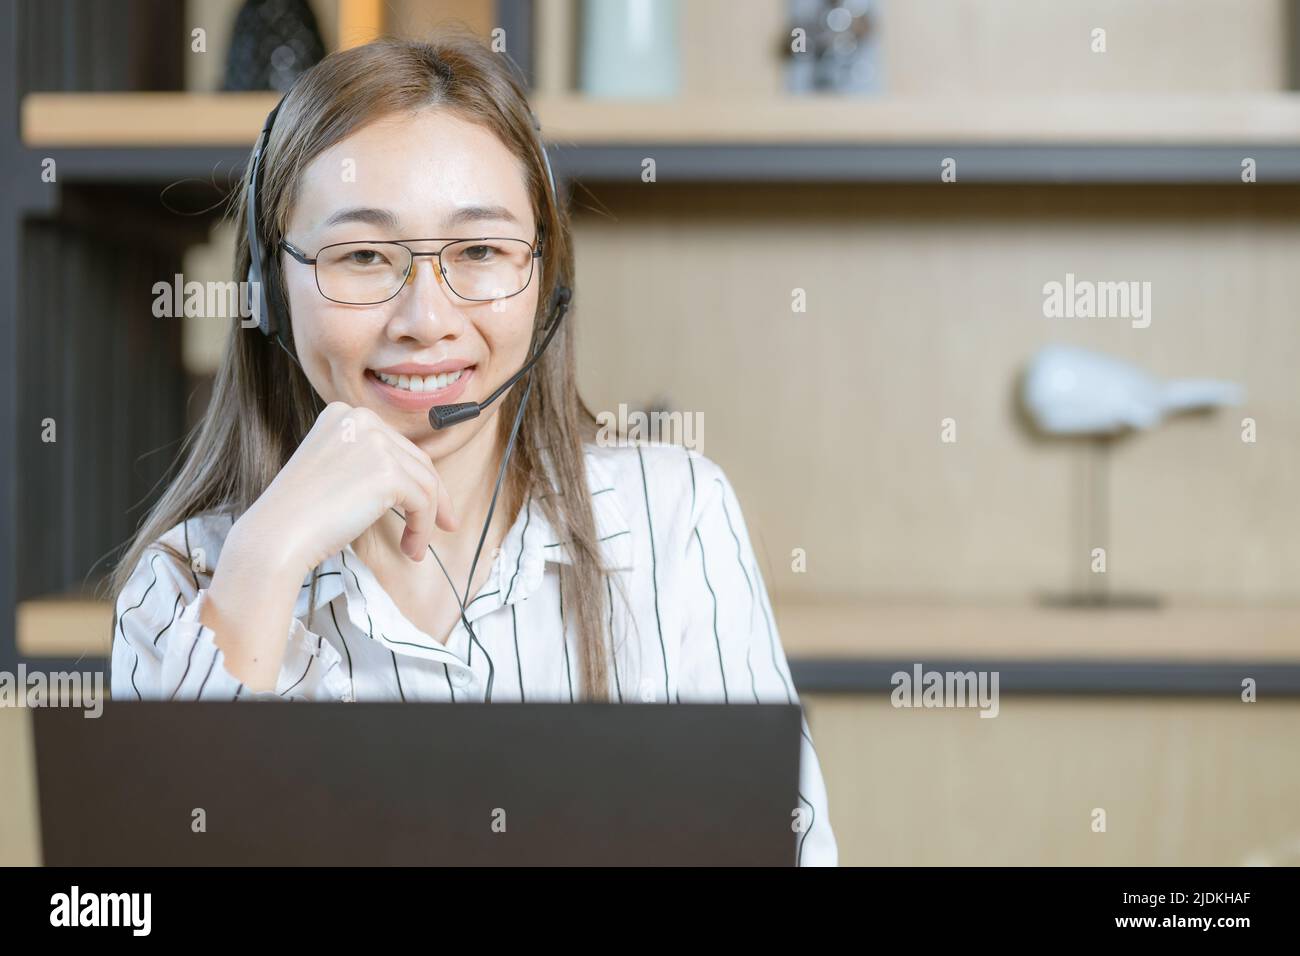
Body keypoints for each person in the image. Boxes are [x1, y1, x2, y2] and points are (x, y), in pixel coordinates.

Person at [110, 32, 836, 866]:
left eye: (482, 251)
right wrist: (265, 560)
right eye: (362, 256)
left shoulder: (674, 520)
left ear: (546, 280)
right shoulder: (187, 585)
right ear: (270, 293)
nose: (425, 320)